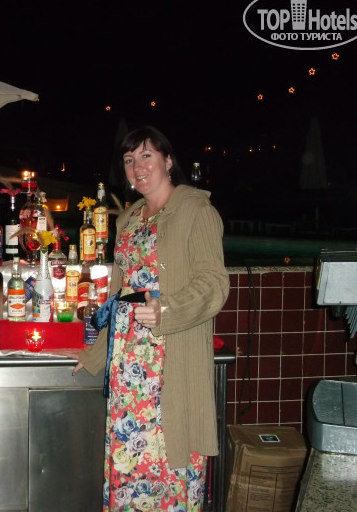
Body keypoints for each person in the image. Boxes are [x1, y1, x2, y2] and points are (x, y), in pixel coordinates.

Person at [70, 126, 229, 511]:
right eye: (129, 160)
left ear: (168, 160)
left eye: (146, 156)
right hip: (127, 367)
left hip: (168, 360)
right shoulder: (129, 218)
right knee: (130, 462)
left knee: (168, 463)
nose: (137, 167)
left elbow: (214, 283)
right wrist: (94, 355)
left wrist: (166, 309)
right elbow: (118, 297)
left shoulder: (196, 210)